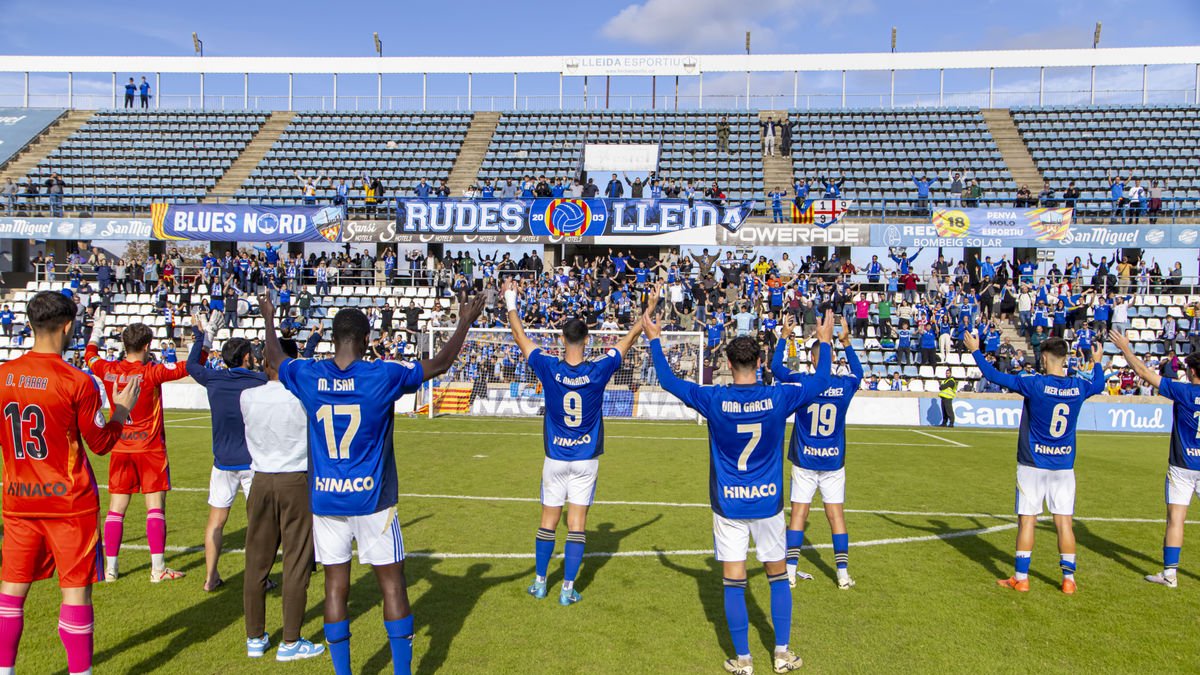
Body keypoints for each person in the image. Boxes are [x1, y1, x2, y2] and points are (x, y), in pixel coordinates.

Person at [258, 290, 485, 675]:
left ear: (333, 339)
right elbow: (441, 363)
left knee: (335, 586)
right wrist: (464, 320)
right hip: (373, 501)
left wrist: (268, 316)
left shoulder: (310, 374)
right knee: (393, 585)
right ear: (366, 340)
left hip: (326, 501)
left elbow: (275, 359)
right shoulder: (383, 374)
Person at [646, 308, 834, 675]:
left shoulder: (713, 398)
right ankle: (781, 653)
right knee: (778, 575)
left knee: (734, 580)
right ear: (760, 361)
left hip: (728, 504)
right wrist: (824, 343)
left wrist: (654, 338)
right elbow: (822, 379)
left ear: (728, 364)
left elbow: (667, 380)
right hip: (768, 503)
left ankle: (744, 660)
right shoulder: (779, 397)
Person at [0, 291, 141, 675]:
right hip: (68, 504)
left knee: (11, 593)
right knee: (75, 592)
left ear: (30, 325)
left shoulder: (2, 375)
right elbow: (99, 444)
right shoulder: (77, 381)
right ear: (67, 327)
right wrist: (122, 411)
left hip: (18, 501)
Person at [503, 279, 654, 605]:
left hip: (555, 458)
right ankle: (568, 589)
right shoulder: (599, 370)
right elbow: (627, 342)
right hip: (585, 459)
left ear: (561, 339)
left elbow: (519, 336)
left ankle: (541, 582)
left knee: (547, 522)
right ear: (587, 340)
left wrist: (511, 300)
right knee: (577, 524)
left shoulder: (548, 366)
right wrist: (646, 315)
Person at [964, 331, 1104, 595]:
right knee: (1064, 523)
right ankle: (1068, 580)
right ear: (1065, 358)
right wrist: (1097, 362)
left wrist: (975, 350)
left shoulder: (1034, 384)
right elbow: (1098, 385)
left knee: (1027, 521)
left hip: (1032, 464)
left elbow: (994, 376)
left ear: (1045, 357)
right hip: (1063, 466)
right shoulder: (1079, 386)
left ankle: (1021, 578)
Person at [84, 312, 191, 583]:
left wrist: (97, 329)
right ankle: (157, 569)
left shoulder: (107, 370)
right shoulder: (151, 373)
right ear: (146, 346)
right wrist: (204, 337)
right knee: (155, 508)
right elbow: (191, 365)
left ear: (124, 343)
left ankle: (111, 569)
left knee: (116, 509)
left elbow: (90, 356)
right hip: (151, 449)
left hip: (120, 446)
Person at [240, 333, 325, 661]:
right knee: (296, 562)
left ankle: (255, 637)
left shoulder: (248, 396)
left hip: (261, 480)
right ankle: (290, 640)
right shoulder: (302, 397)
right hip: (295, 480)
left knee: (256, 563)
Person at [771, 316, 860, 589]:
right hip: (833, 461)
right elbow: (859, 373)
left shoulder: (802, 382)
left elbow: (776, 368)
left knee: (799, 514)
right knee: (836, 516)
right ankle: (842, 574)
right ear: (831, 360)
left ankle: (790, 571)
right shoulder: (845, 385)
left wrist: (784, 337)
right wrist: (845, 342)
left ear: (812, 360)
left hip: (805, 459)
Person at [1108, 331, 1200, 588]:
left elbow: (1144, 373)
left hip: (1182, 466)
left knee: (1176, 519)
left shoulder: (1183, 390)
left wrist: (1126, 349)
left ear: (1191, 371)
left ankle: (1170, 575)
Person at [185, 313, 266, 592]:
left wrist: (203, 336)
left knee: (216, 522)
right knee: (258, 524)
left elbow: (191, 364)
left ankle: (210, 576)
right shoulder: (258, 381)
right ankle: (260, 577)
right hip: (253, 461)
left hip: (223, 462)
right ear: (245, 357)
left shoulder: (214, 379)